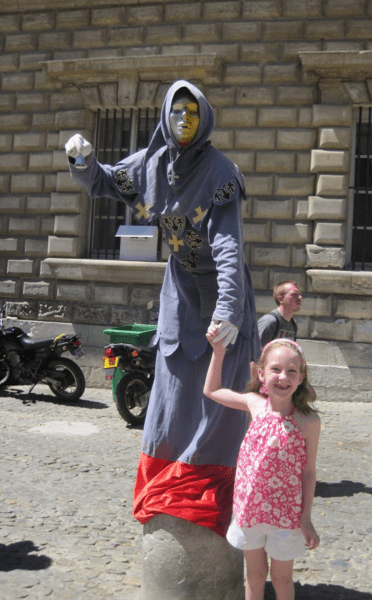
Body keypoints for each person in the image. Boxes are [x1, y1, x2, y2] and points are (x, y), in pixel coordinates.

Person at [65, 80, 260, 538]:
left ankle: (211, 499)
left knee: (218, 397)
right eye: (177, 113)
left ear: (204, 117)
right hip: (179, 290)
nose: (184, 121)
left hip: (220, 296)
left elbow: (230, 247)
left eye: (192, 112)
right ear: (166, 118)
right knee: (172, 392)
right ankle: (167, 489)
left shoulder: (220, 172)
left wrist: (229, 309)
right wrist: (82, 160)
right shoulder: (151, 164)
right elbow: (104, 182)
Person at [204, 332, 321, 600]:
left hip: (287, 518)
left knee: (282, 580)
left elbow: (309, 472)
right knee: (254, 577)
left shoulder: (308, 421)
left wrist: (305, 518)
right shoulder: (253, 403)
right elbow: (211, 390)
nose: (283, 377)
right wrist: (218, 352)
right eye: (276, 369)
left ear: (301, 377)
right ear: (261, 373)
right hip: (250, 512)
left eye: (292, 371)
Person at [257, 281, 302, 347]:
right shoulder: (269, 321)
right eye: (294, 294)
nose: (300, 298)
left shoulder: (293, 324)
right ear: (280, 299)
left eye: (300, 294)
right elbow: (254, 350)